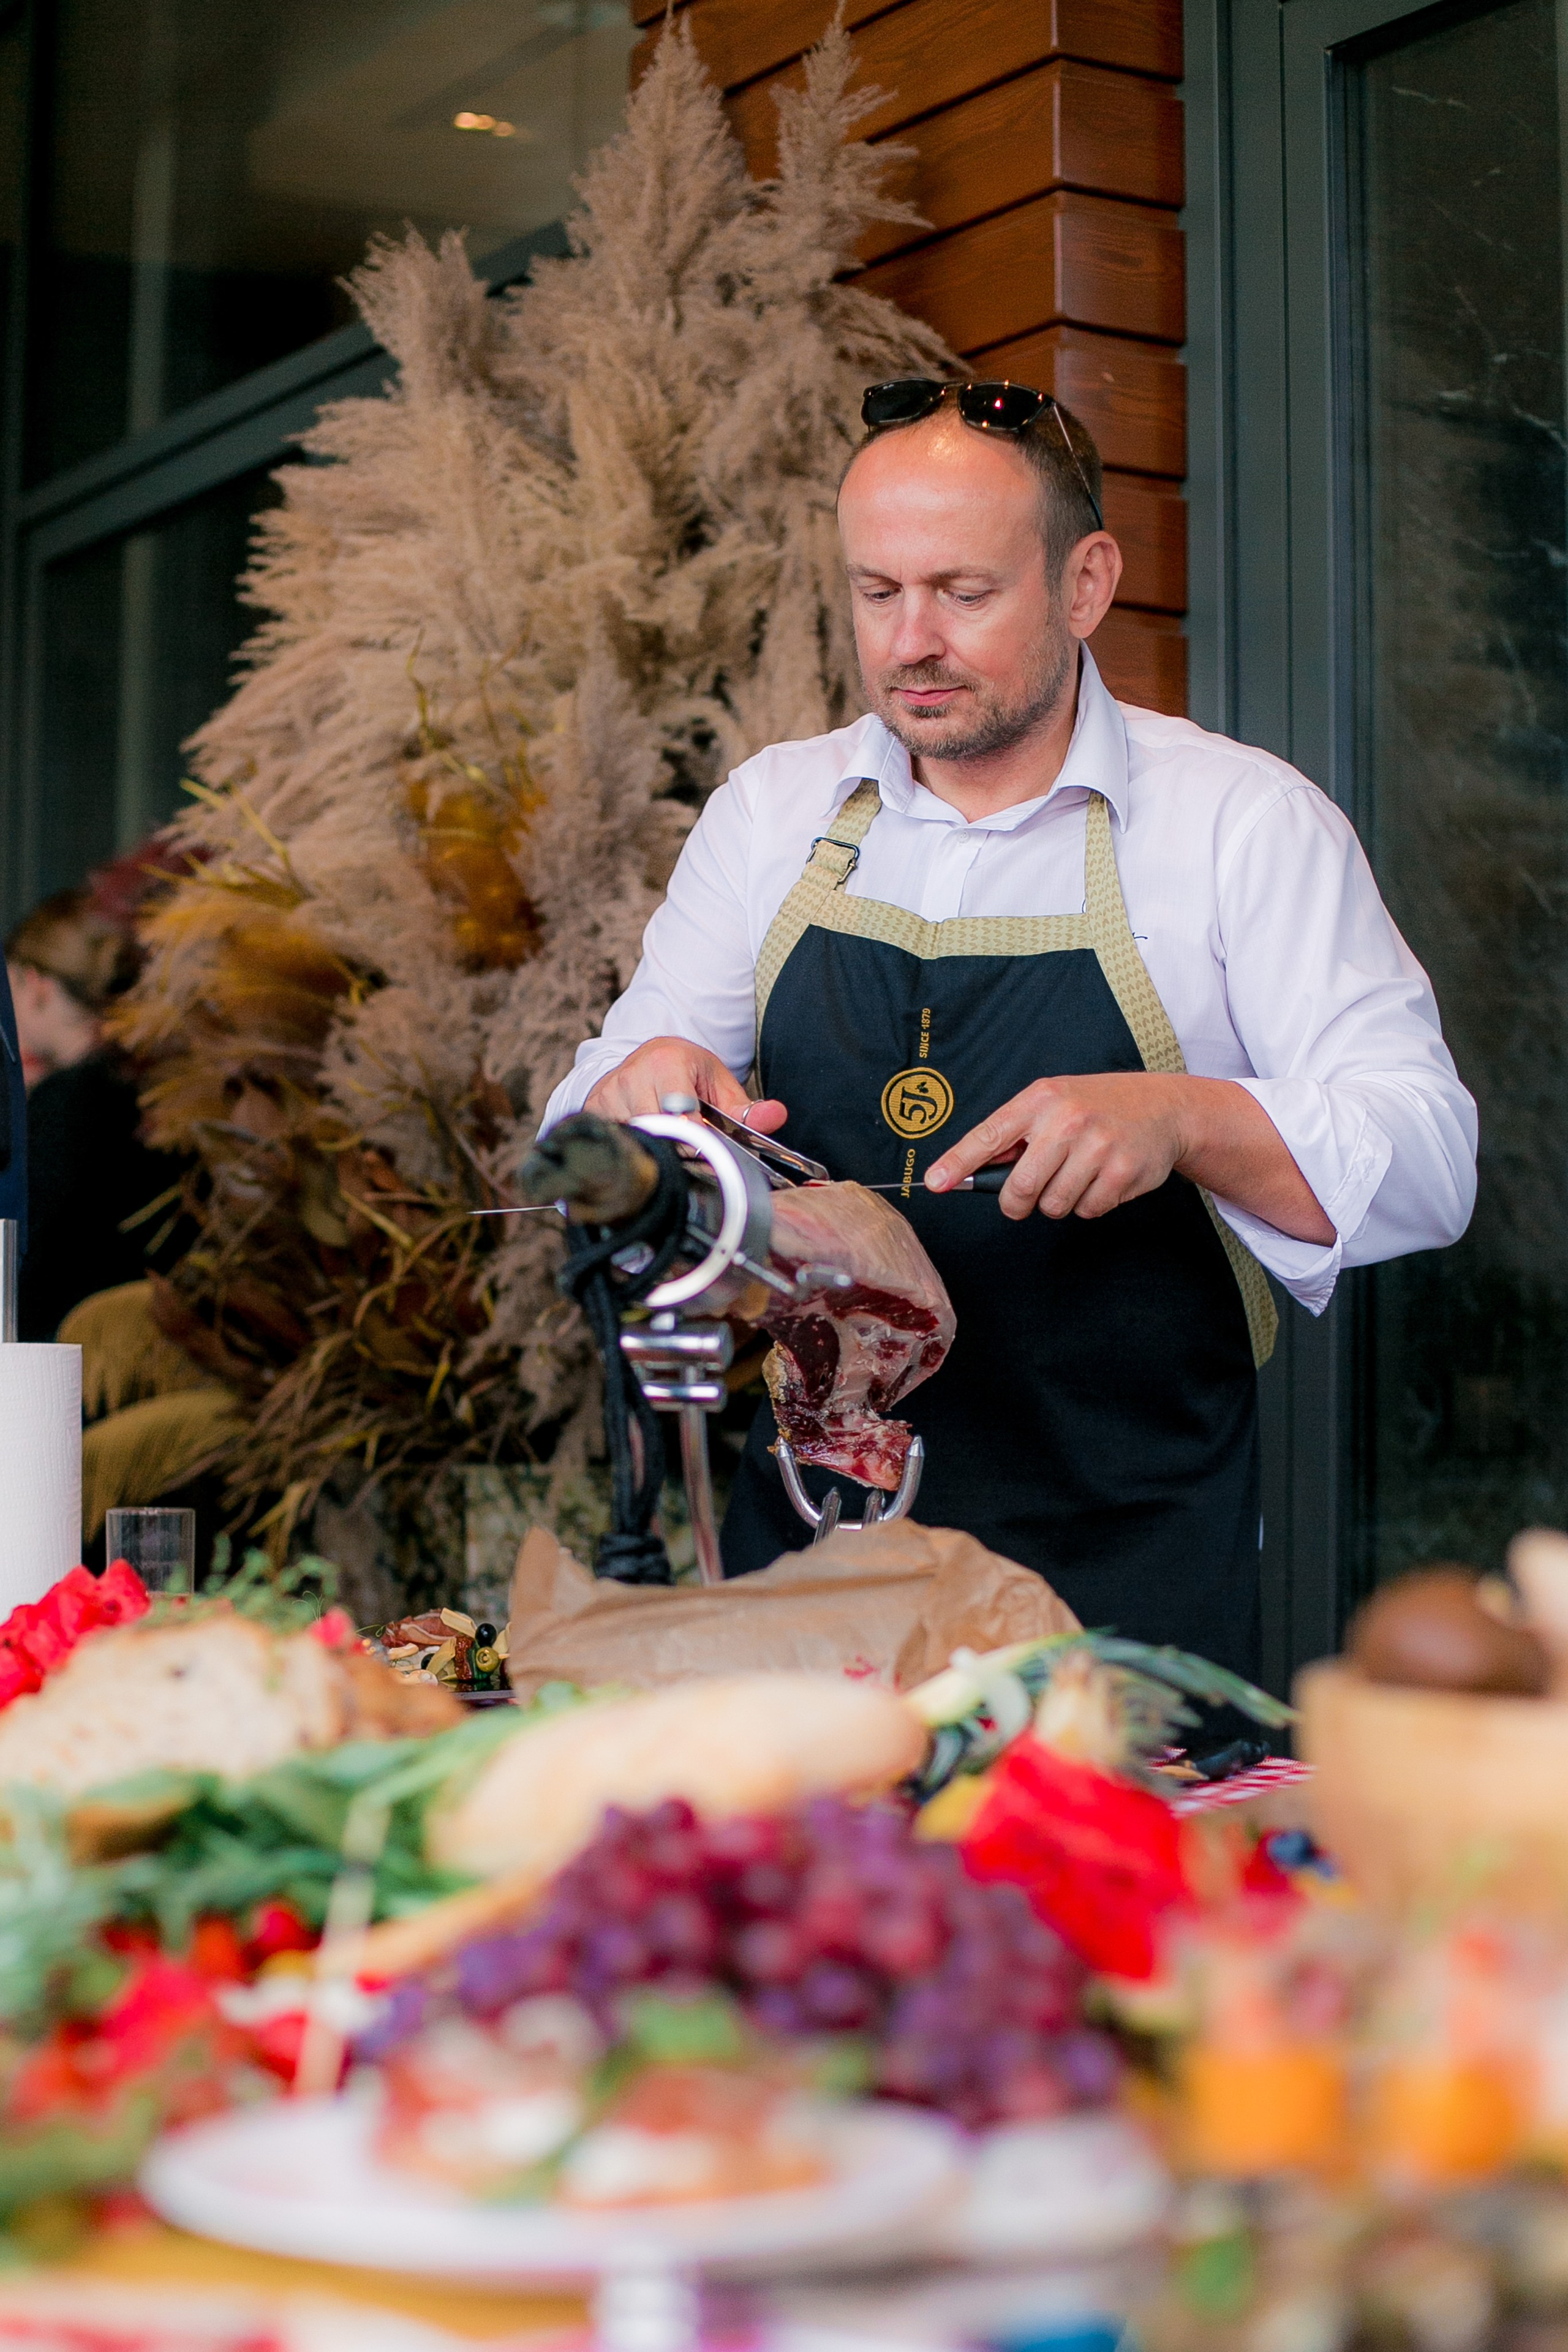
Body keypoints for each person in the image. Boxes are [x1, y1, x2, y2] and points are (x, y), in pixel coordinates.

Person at [541, 378, 1477, 1678]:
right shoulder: (772, 812)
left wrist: (1186, 1117)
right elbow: (590, 1111)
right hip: (803, 1579)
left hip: (1117, 1593)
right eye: (876, 593)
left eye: (961, 593)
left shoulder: (1238, 824)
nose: (908, 641)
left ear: (1085, 582)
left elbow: (1428, 1157)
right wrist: (635, 1100)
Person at [6, 888, 183, 1341]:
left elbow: (21, 1270)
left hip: (67, 1369)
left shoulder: (63, 1106)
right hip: (148, 1355)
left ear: (36, 986)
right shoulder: (161, 1087)